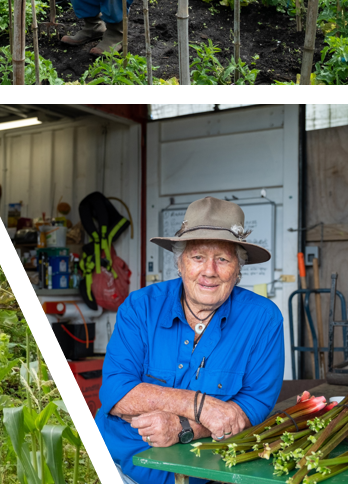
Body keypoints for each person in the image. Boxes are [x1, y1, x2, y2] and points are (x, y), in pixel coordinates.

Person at [98, 196, 284, 484]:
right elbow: (115, 391)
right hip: (119, 464)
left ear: (238, 269)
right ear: (180, 264)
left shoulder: (263, 319)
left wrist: (184, 426)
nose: (209, 271)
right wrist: (202, 407)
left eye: (222, 259)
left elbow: (255, 404)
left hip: (204, 473)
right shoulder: (140, 306)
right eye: (197, 257)